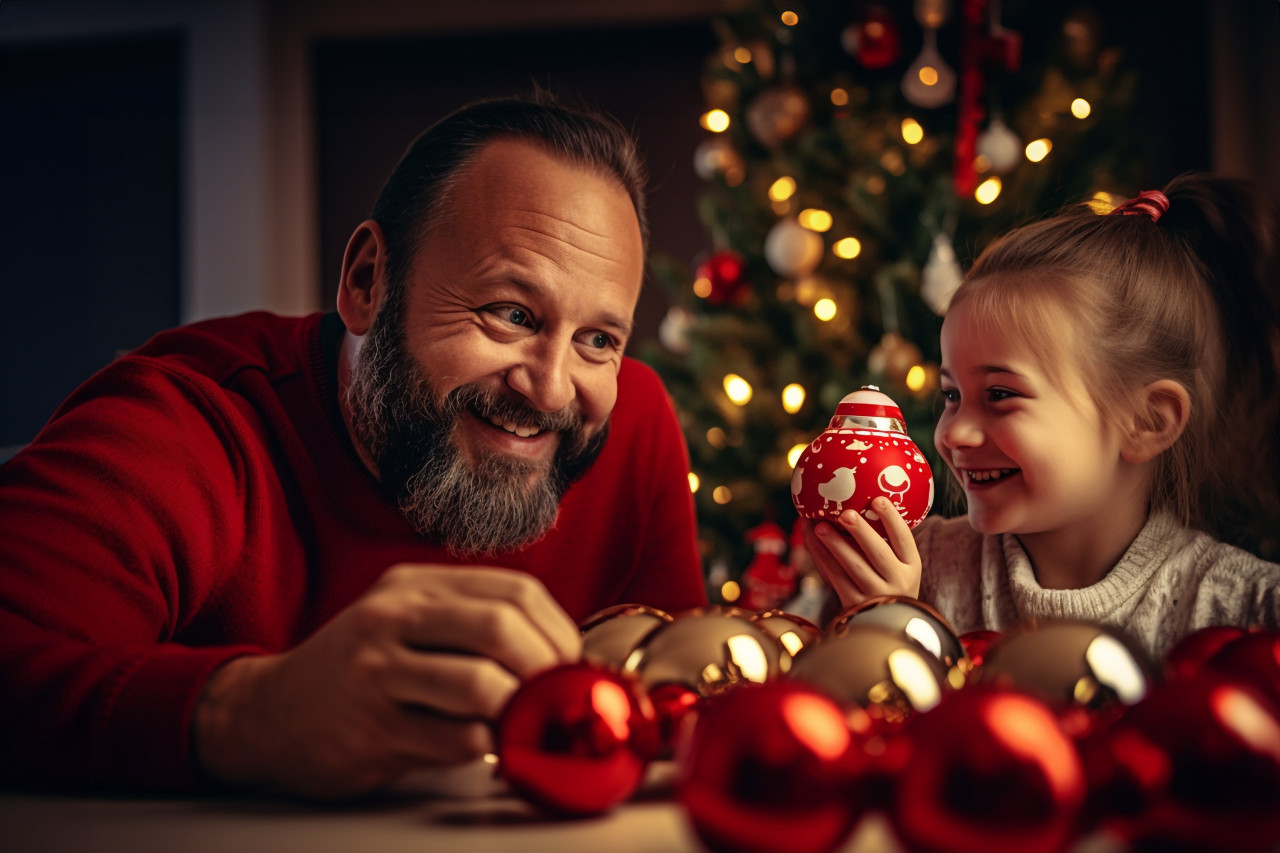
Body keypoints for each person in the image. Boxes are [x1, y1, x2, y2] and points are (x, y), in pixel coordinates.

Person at [0, 92, 706, 798]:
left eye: (598, 340)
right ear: (369, 281)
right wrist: (251, 711)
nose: (552, 390)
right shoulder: (189, 422)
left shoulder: (634, 423)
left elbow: (690, 716)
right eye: (511, 313)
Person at [802, 173, 1280, 661]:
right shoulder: (914, 567)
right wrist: (883, 622)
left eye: (1001, 393)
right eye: (951, 395)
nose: (953, 433)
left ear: (1147, 421)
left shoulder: (1246, 610)